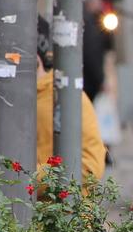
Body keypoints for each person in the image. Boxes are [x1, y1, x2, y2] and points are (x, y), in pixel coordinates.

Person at [34, 17, 107, 179]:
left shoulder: (67, 99)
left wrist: (29, 179)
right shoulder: (12, 103)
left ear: (36, 59)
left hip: (60, 203)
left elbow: (90, 167)